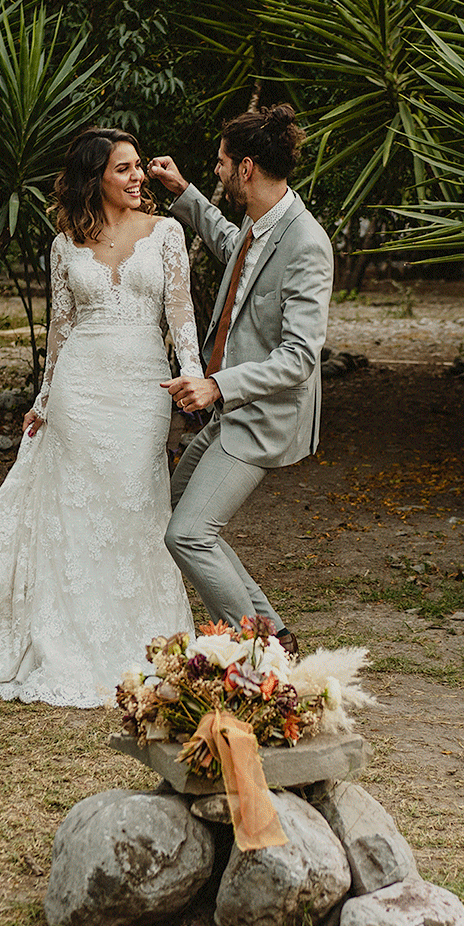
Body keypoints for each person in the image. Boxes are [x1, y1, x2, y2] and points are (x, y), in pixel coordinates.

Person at [0, 128, 202, 707]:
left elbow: (181, 316)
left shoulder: (167, 233)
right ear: (96, 179)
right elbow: (60, 331)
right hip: (79, 390)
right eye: (124, 169)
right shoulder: (64, 244)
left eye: (138, 166)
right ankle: (66, 632)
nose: (138, 176)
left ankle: (136, 633)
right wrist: (43, 401)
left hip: (142, 391)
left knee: (133, 506)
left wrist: (190, 380)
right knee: (76, 513)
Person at [147, 105, 334, 656]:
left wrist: (219, 386)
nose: (218, 170)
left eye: (223, 163)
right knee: (180, 510)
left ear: (246, 167)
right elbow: (232, 249)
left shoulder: (307, 243)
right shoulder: (258, 224)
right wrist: (184, 194)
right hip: (231, 410)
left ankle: (257, 652)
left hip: (261, 416)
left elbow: (301, 356)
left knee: (187, 534)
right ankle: (275, 633)